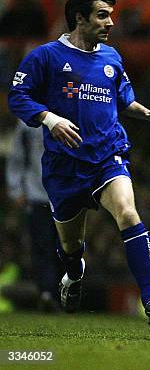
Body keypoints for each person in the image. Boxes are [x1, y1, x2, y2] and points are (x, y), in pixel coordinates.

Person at [8, 0, 150, 327]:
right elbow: (17, 96)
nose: (111, 23)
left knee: (128, 213)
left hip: (107, 157)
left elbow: (124, 101)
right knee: (71, 247)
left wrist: (148, 114)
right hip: (63, 167)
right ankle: (74, 273)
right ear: (79, 19)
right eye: (103, 16)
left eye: (111, 15)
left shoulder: (111, 58)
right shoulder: (46, 57)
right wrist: (50, 118)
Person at [6, 120, 61, 311]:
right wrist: (16, 189)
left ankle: (62, 294)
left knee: (65, 247)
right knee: (42, 245)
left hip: (63, 195)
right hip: (36, 195)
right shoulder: (27, 123)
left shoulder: (70, 112)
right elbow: (17, 157)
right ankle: (46, 293)